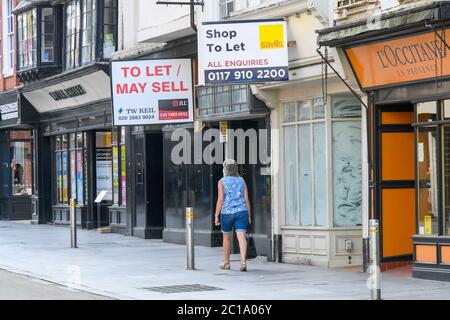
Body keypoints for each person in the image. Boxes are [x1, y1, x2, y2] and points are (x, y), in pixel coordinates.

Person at [214, 159, 252, 271]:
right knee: (241, 237)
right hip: (242, 211)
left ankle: (226, 263)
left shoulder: (222, 181)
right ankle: (243, 262)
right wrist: (249, 215)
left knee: (226, 237)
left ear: (225, 169)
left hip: (227, 213)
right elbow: (246, 199)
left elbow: (220, 199)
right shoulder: (242, 180)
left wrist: (216, 215)